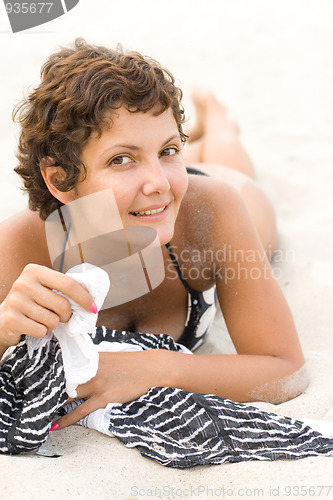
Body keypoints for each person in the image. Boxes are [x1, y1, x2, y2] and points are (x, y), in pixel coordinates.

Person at [0, 38, 308, 432]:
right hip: (149, 210)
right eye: (121, 159)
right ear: (60, 178)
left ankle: (216, 121)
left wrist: (158, 367)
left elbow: (286, 370)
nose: (158, 182)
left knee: (227, 162)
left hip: (211, 199)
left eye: (169, 149)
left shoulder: (213, 214)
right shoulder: (21, 247)